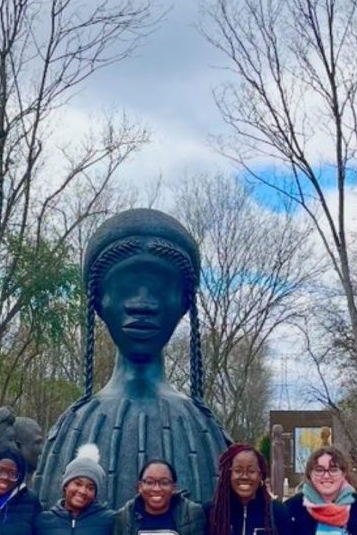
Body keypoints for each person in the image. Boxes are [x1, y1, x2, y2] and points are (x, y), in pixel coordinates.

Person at [35, 208, 229, 507]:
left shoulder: (204, 428)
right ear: (99, 302)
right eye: (124, 288)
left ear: (183, 304)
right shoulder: (71, 429)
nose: (142, 304)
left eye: (161, 289)